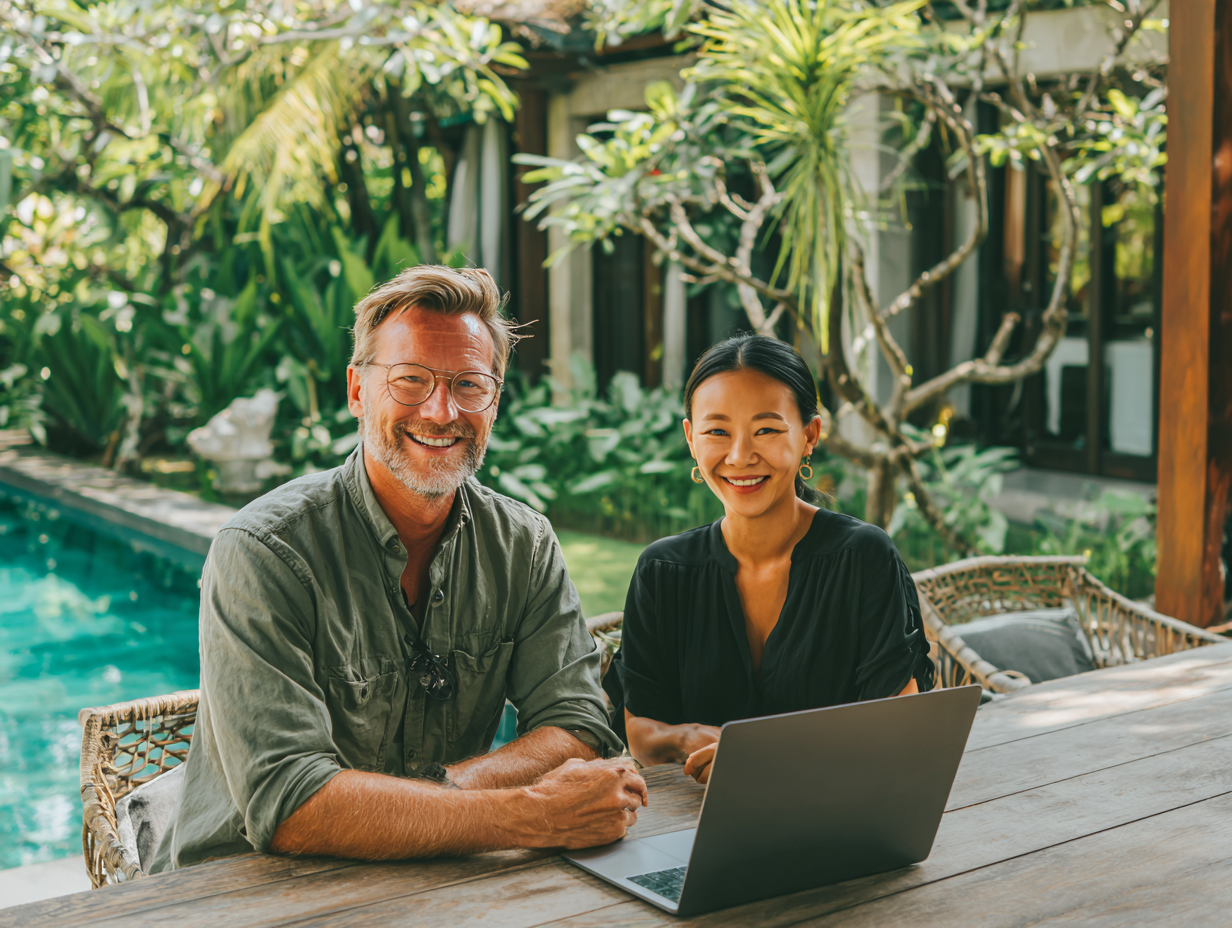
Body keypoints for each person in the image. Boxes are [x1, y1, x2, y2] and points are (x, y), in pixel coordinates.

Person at [153, 266, 646, 872]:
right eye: (411, 379)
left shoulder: (524, 544)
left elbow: (578, 724)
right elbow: (289, 801)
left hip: (434, 874)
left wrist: (430, 801)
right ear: (358, 391)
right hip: (246, 884)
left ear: (494, 401)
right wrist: (532, 813)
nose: (441, 411)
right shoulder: (263, 550)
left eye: (470, 384)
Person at [606, 334, 934, 784]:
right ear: (691, 439)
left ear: (809, 435)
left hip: (840, 808)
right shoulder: (662, 571)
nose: (740, 456)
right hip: (695, 815)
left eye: (766, 430)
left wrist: (763, 759)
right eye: (717, 432)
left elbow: (898, 723)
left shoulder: (862, 558)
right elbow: (640, 730)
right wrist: (690, 739)